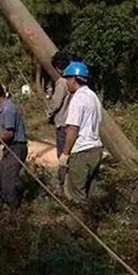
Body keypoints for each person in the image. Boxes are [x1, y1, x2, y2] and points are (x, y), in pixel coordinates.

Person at [59, 62, 102, 203]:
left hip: (82, 152)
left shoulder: (78, 98)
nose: (66, 83)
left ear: (73, 79)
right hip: (96, 149)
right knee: (90, 194)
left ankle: (78, 223)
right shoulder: (93, 97)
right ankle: (93, 222)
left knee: (76, 196)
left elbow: (73, 129)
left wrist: (65, 154)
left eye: (67, 79)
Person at [0, 82, 28, 208]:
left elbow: (9, 133)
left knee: (8, 180)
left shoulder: (8, 109)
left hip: (16, 148)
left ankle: (12, 208)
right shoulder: (4, 109)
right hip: (11, 148)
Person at [46, 53, 71, 188]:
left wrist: (49, 113)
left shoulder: (62, 82)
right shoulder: (76, 81)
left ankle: (63, 184)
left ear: (58, 68)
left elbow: (56, 103)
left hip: (63, 124)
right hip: (73, 124)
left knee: (63, 155)